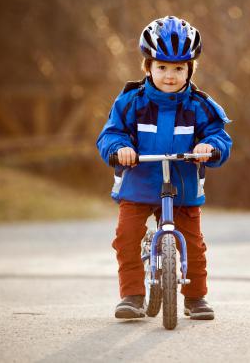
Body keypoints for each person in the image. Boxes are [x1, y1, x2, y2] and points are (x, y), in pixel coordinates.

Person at [96, 16, 232, 320]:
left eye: (178, 68)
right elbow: (111, 133)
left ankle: (195, 297)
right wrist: (121, 149)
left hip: (182, 184)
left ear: (190, 70)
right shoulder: (131, 101)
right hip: (140, 181)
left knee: (193, 244)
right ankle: (131, 295)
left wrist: (209, 147)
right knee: (127, 236)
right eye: (162, 67)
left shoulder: (200, 105)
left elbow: (218, 135)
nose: (169, 76)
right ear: (148, 67)